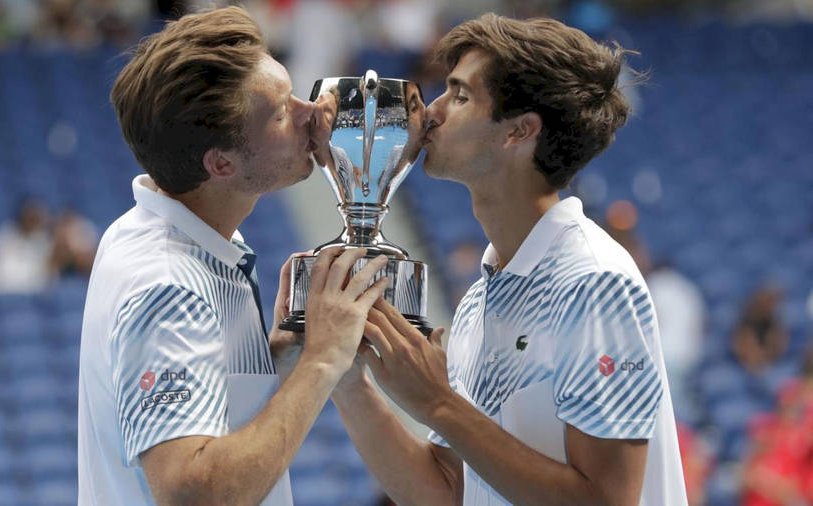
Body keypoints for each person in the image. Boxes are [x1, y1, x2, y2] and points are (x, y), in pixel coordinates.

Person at [329, 14, 688, 505]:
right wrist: (345, 379)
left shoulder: (594, 281)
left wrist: (438, 404)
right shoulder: (482, 299)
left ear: (519, 131)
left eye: (459, 95)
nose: (430, 111)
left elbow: (606, 500)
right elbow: (451, 491)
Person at [77, 7, 389, 506]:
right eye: (283, 113)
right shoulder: (167, 282)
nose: (312, 111)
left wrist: (282, 356)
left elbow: (207, 420)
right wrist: (323, 360)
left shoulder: (162, 236)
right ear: (221, 162)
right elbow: (188, 493)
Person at [0, 196, 54, 294]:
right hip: (4, 291)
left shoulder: (42, 239)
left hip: (32, 293)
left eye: (37, 218)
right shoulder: (7, 233)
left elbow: (44, 275)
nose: (33, 221)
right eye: (31, 217)